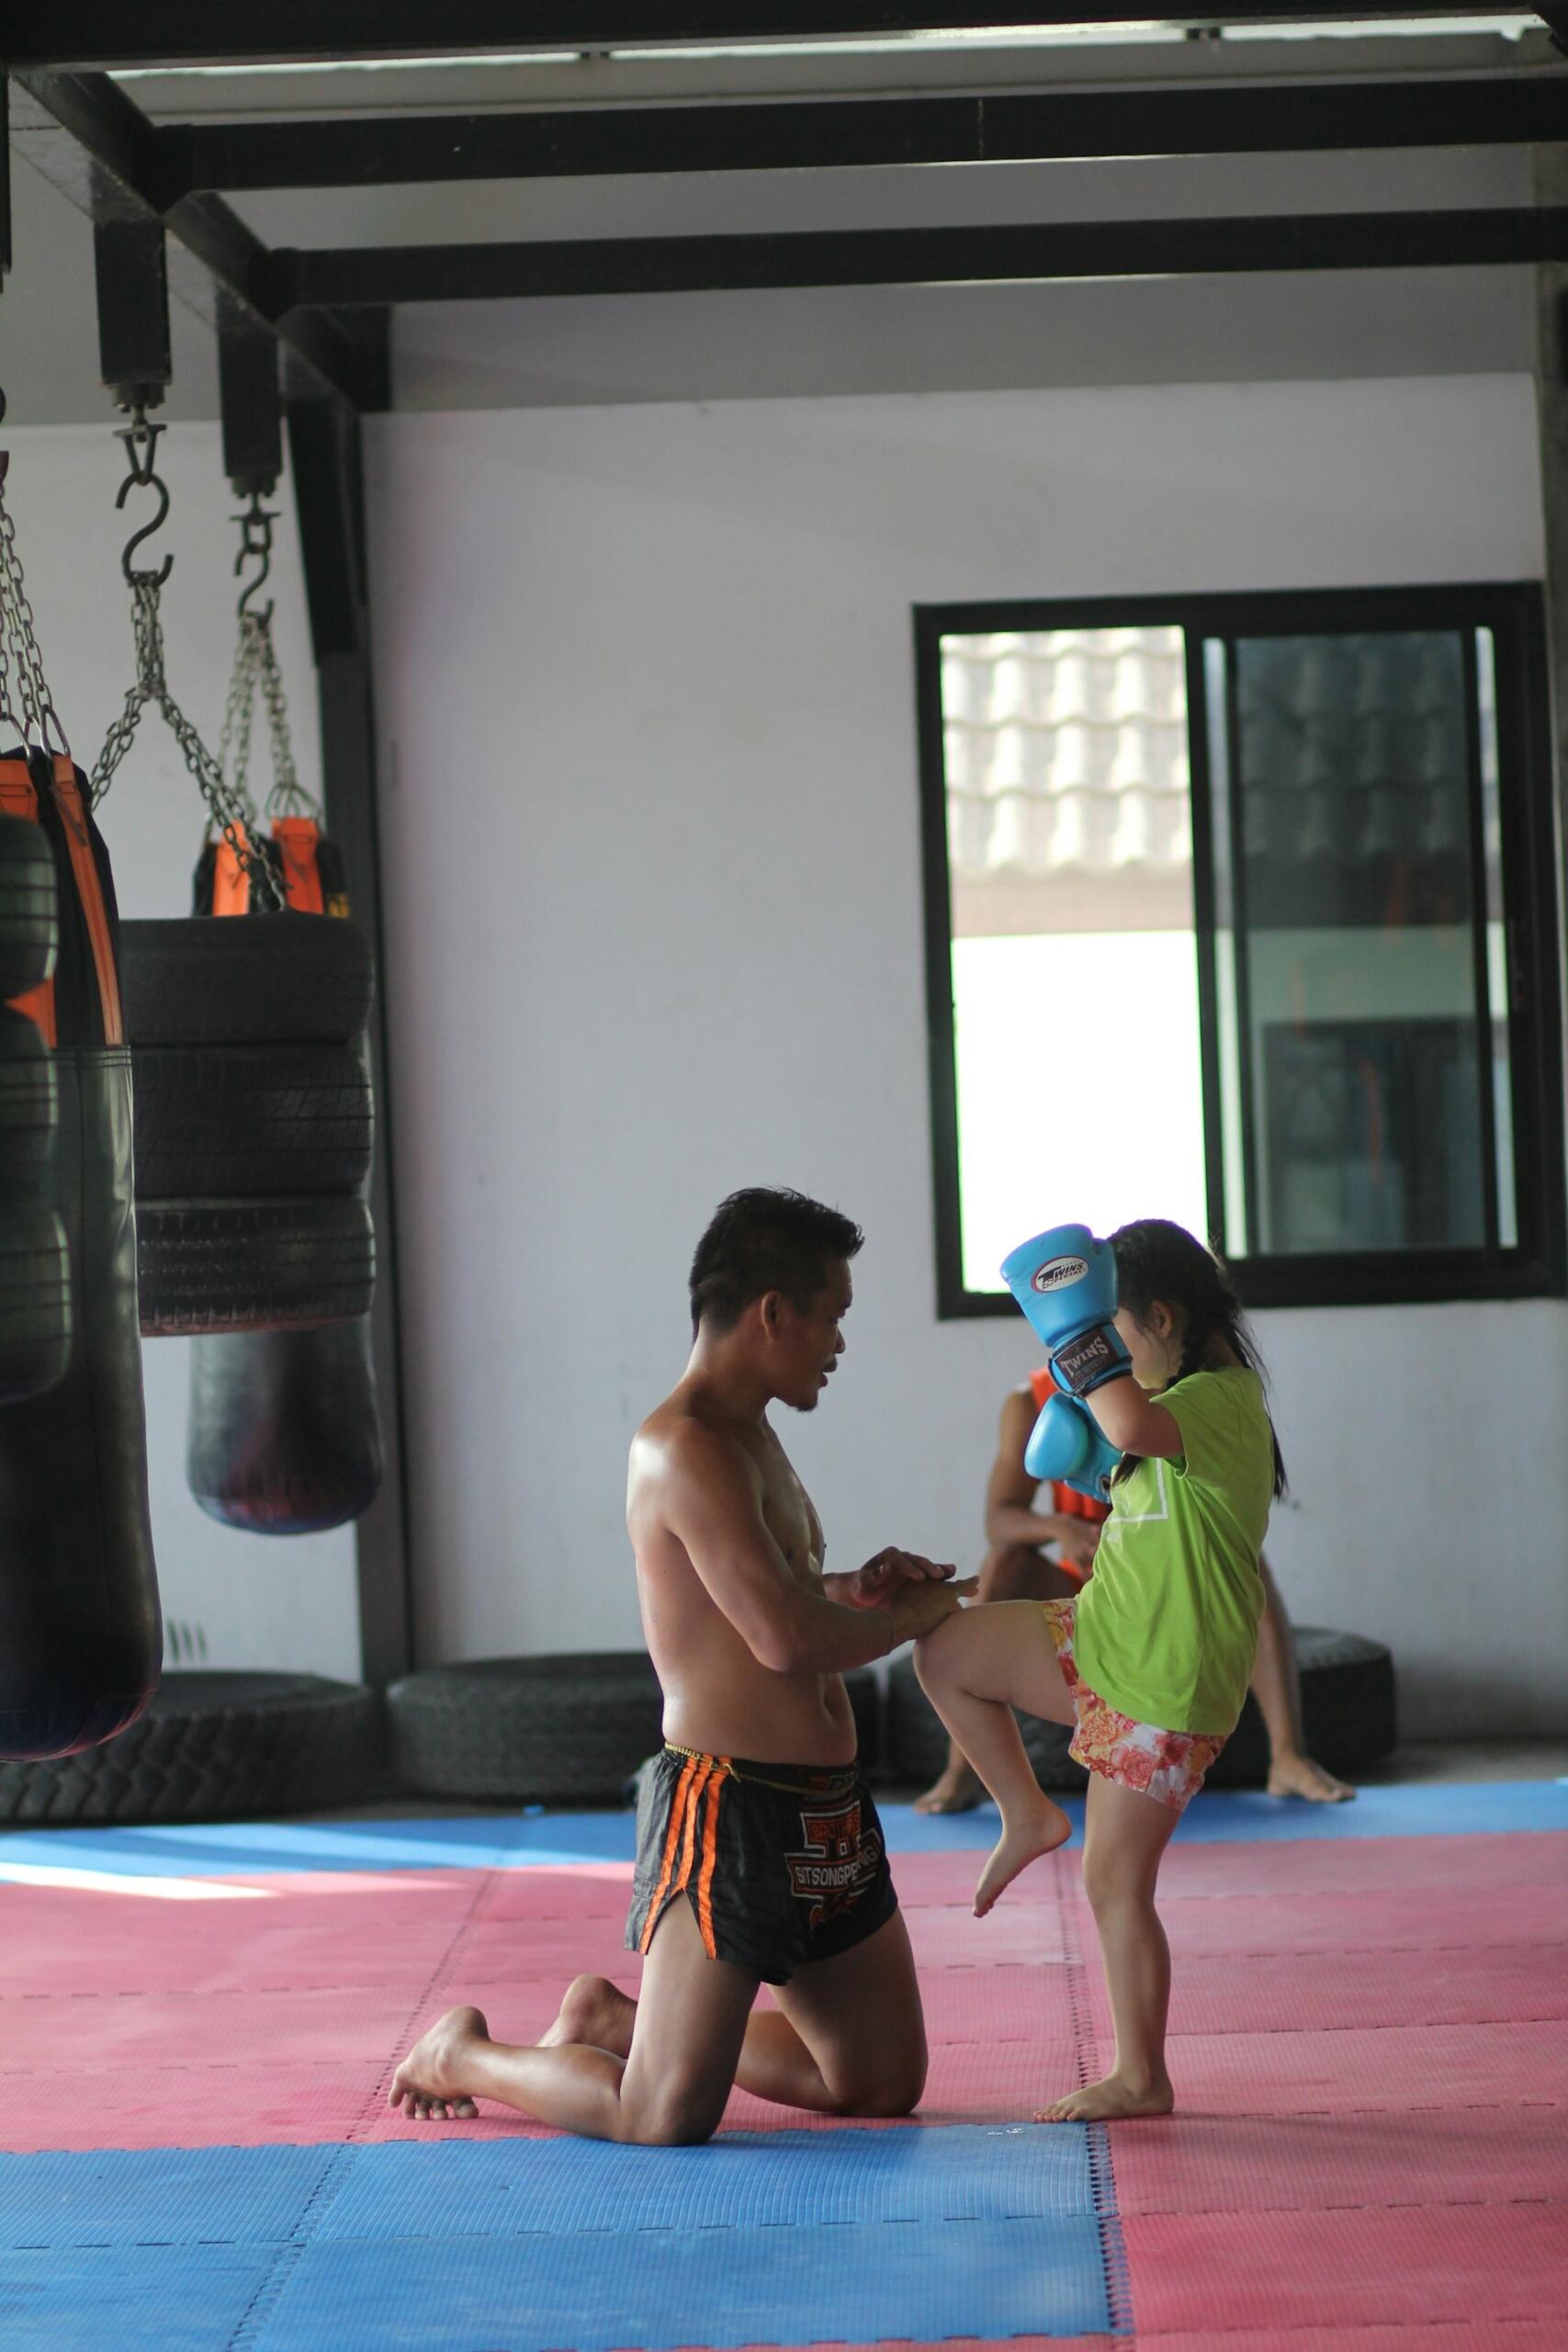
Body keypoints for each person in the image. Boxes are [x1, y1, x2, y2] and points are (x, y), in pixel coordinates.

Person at [389, 1186, 971, 2143]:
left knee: (876, 2081)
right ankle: (463, 2054)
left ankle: (616, 2020)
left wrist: (860, 1589)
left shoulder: (755, 1437)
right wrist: (922, 1615)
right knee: (660, 2115)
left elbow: (775, 1590)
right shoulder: (680, 1447)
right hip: (729, 1804)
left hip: (824, 1810)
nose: (838, 1342)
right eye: (831, 1317)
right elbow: (780, 1639)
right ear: (771, 1312)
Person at [913, 1217, 1285, 2125]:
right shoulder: (1163, 1416)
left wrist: (1067, 1329)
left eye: (1116, 1333)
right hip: (1100, 1633)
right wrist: (1090, 1460)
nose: (1111, 1353)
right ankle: (1026, 1811)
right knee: (947, 1648)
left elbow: (1125, 1414)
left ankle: (1141, 2076)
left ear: (1163, 1317)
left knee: (1116, 1884)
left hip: (1165, 1682)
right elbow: (1125, 1450)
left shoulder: (1222, 1400)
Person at [915, 1367, 1352, 1814]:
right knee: (1003, 1563)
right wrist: (1060, 1528)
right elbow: (999, 1520)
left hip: (1159, 1585)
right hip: (1083, 1584)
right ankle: (963, 1769)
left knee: (1247, 1564)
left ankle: (1288, 1755)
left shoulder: (1175, 1397)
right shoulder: (1030, 1401)